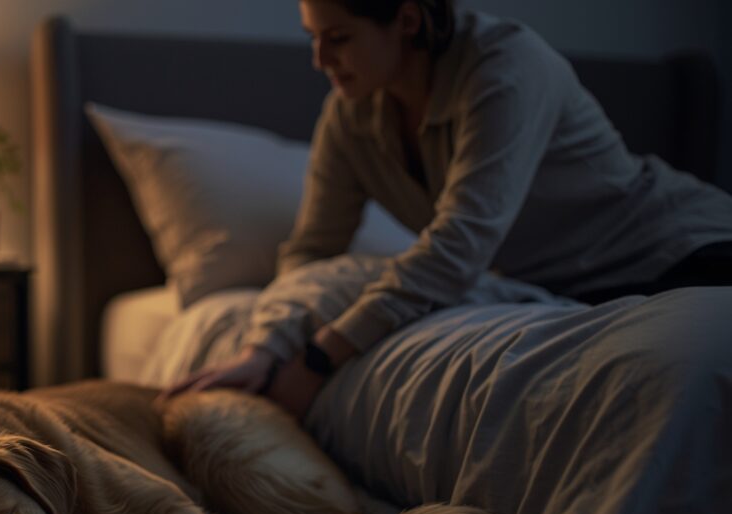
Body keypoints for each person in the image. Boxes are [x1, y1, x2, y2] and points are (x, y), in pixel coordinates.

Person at [164, 0, 732, 416]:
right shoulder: (351, 116)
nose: (318, 59)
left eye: (336, 37)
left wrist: (319, 357)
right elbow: (314, 250)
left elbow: (460, 245)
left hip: (681, 251)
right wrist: (266, 346)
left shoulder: (504, 70)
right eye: (312, 37)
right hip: (578, 295)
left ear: (406, 18)